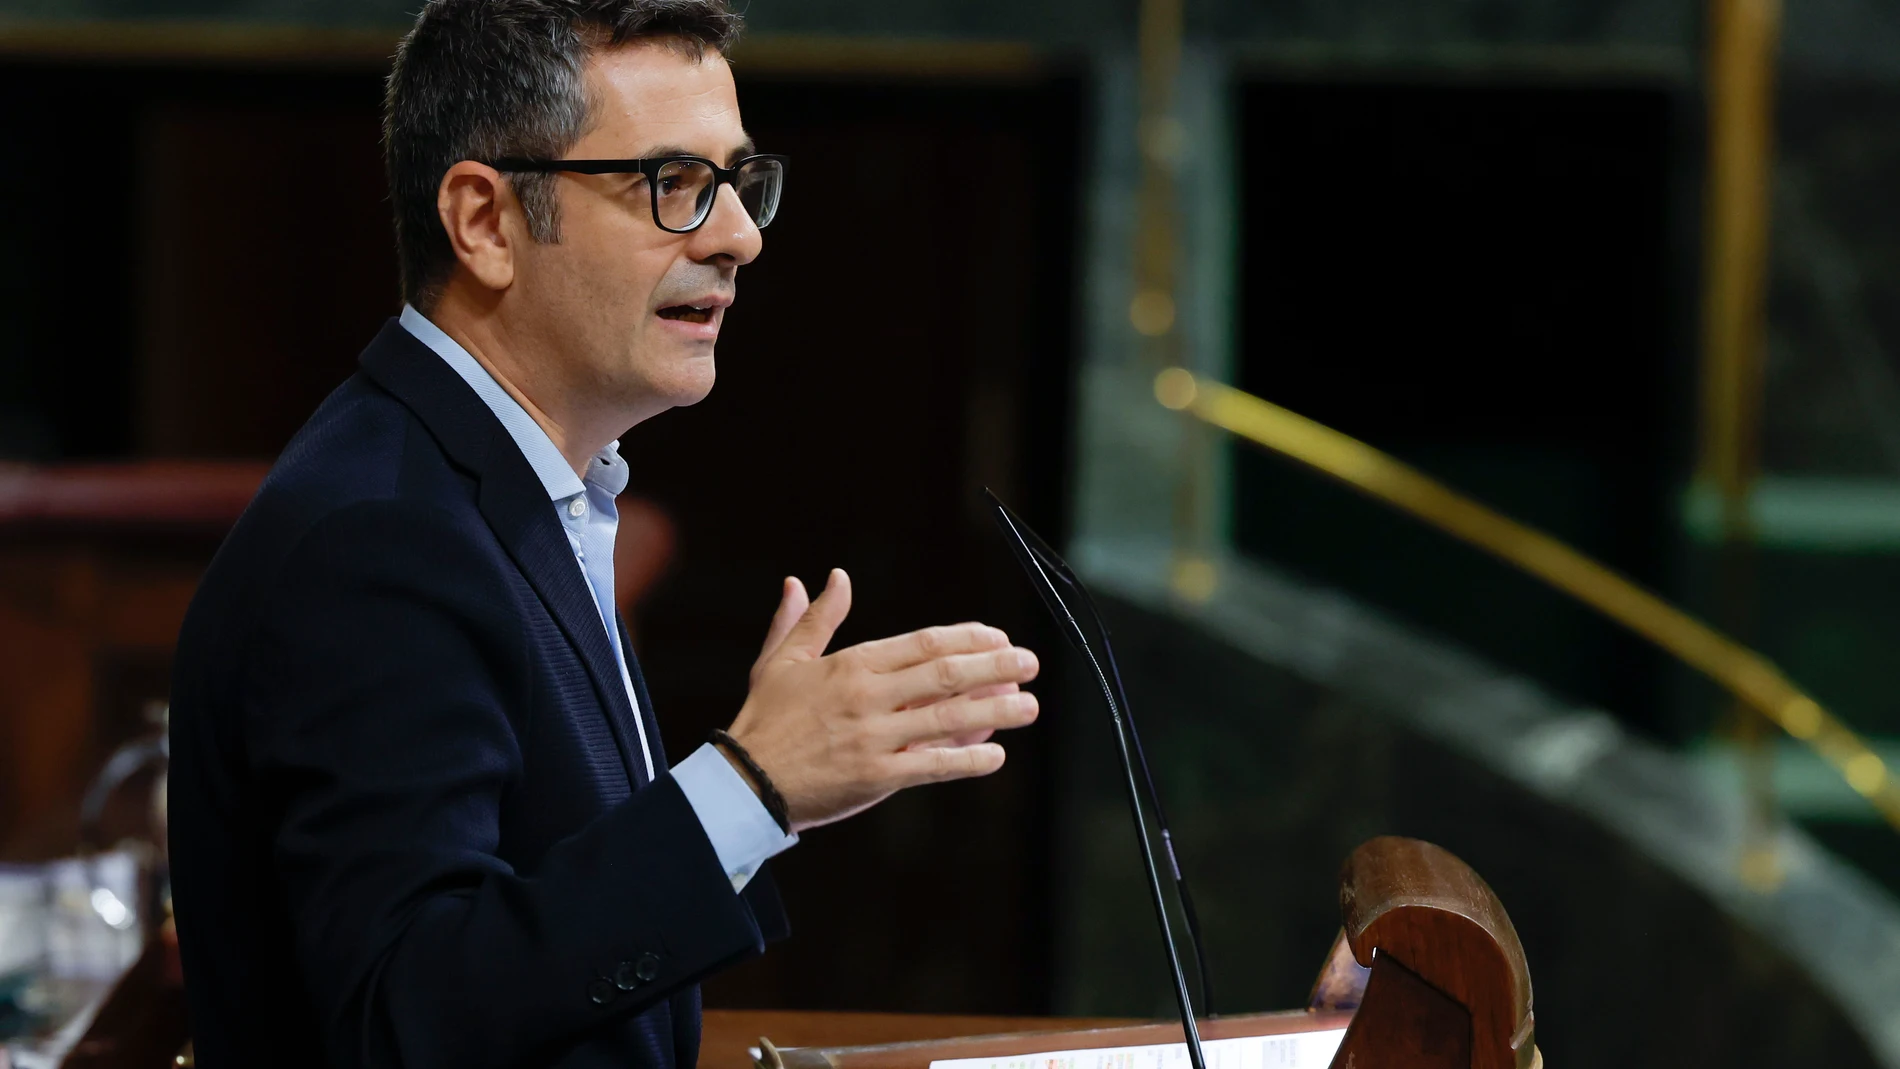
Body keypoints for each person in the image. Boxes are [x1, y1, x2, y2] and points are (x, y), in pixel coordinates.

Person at [165, 2, 1042, 1066]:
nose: (739, 236)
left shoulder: (519, 491)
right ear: (486, 222)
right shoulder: (380, 539)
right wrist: (751, 786)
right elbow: (405, 1014)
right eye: (672, 185)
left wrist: (761, 799)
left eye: (738, 181)